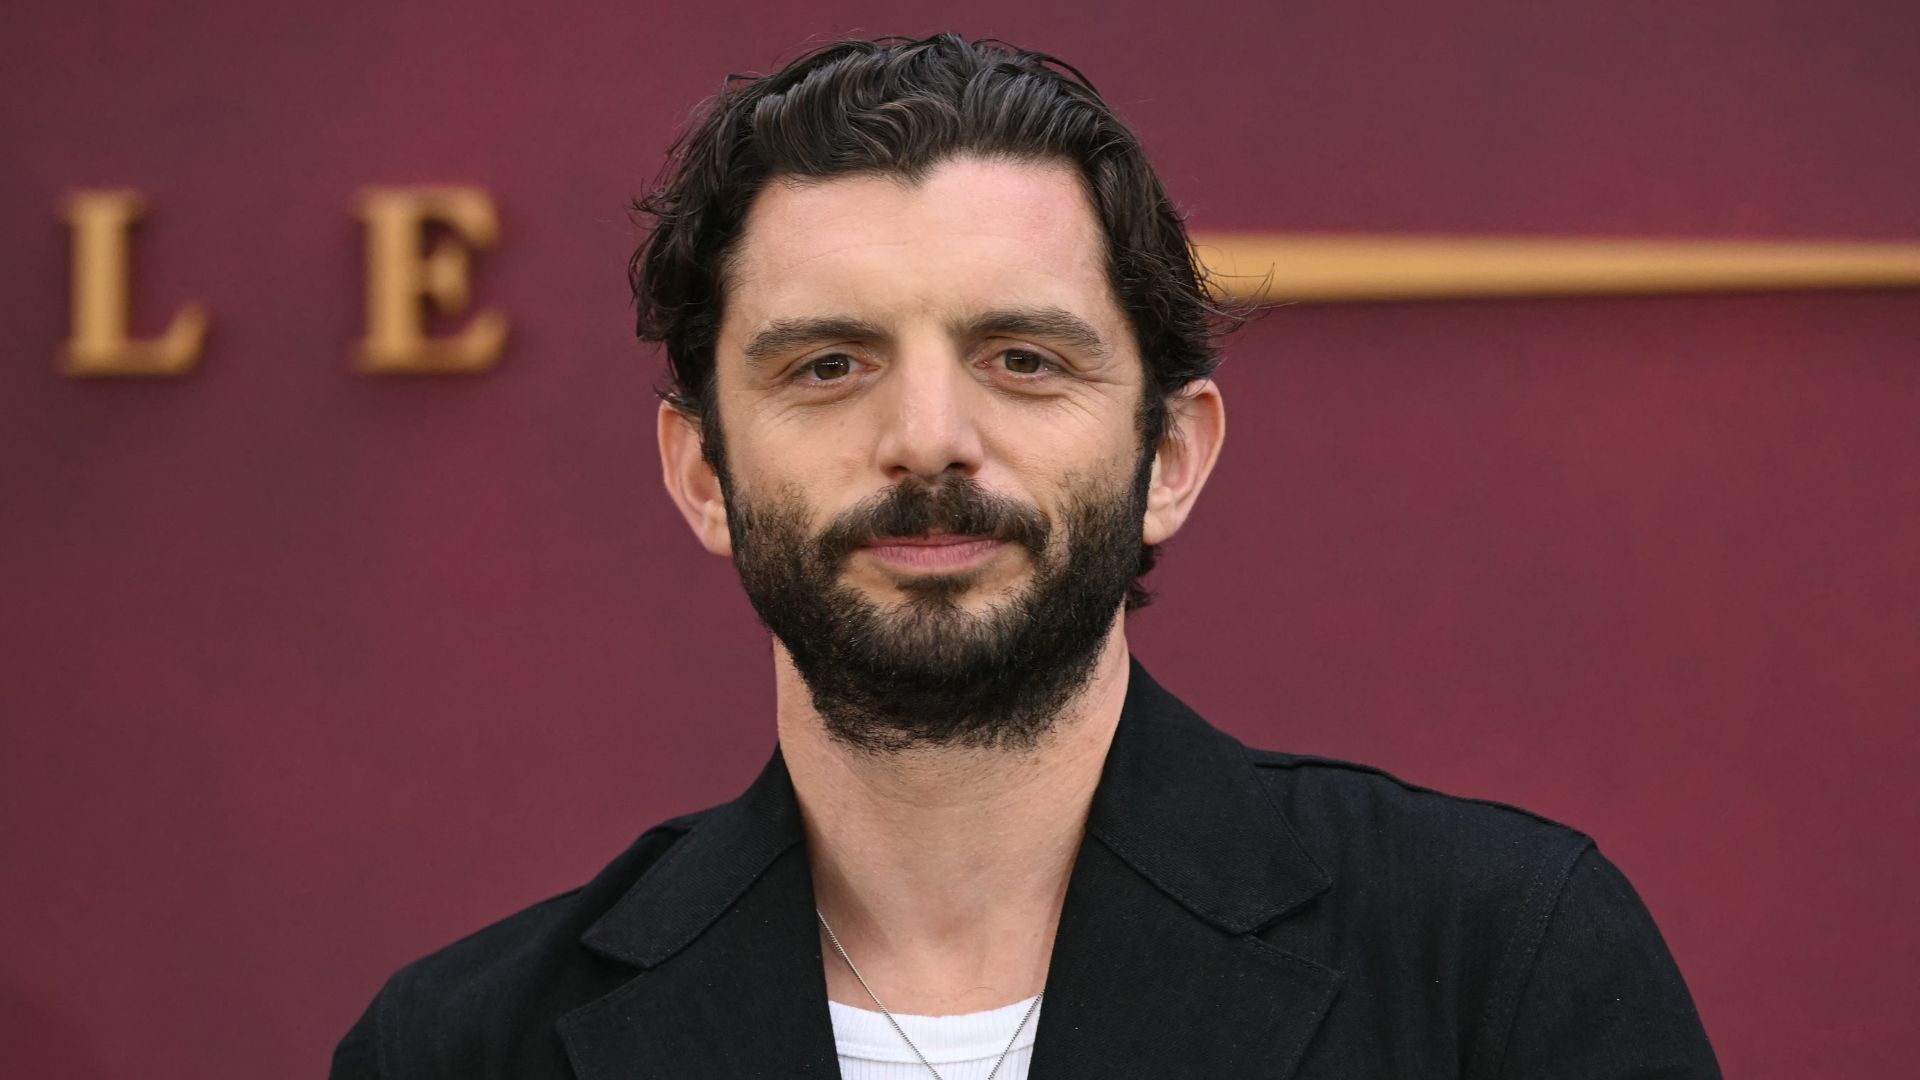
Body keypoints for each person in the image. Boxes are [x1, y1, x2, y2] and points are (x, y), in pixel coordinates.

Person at [330, 34, 1721, 1080]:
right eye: (829, 365)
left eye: (1022, 358)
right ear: (703, 473)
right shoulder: (461, 1049)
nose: (928, 440)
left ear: (1169, 457)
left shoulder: (1501, 969)